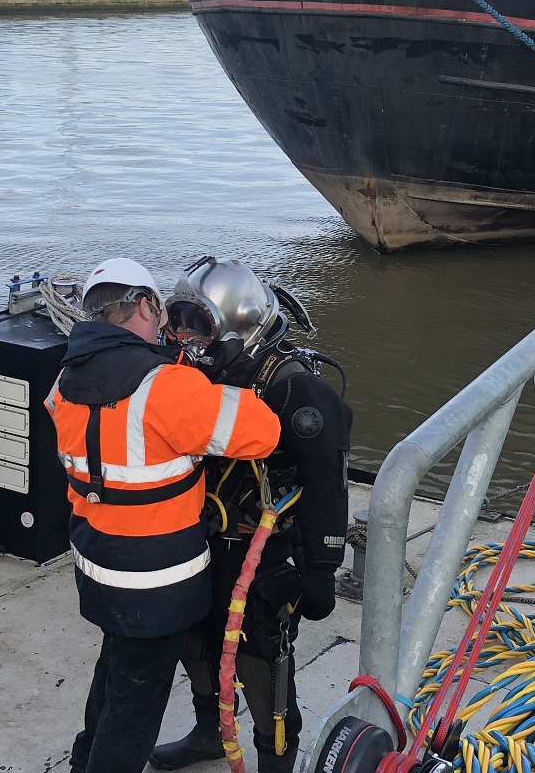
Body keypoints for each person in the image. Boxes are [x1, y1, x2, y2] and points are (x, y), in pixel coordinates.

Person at [48, 258, 283, 773]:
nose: (167, 327)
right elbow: (262, 432)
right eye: (160, 313)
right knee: (134, 712)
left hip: (97, 568)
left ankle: (82, 761)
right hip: (157, 583)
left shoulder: (64, 381)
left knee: (112, 676)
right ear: (141, 304)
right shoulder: (164, 387)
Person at [149, 259, 353, 773]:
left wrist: (322, 569)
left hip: (267, 551)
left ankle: (274, 759)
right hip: (200, 538)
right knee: (195, 645)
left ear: (237, 327)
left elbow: (327, 478)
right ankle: (209, 734)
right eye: (179, 320)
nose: (184, 337)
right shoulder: (188, 372)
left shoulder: (291, 389)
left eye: (199, 324)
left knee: (261, 666)